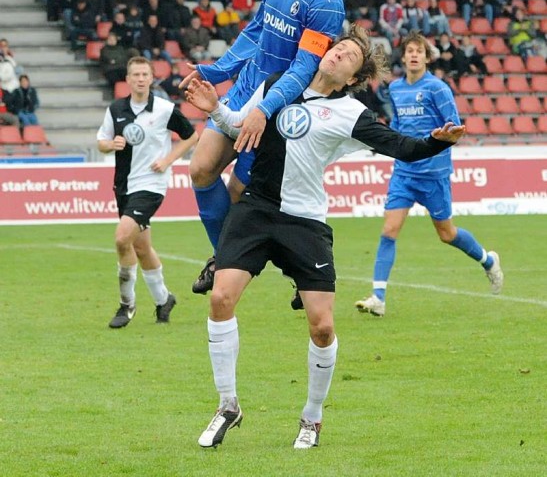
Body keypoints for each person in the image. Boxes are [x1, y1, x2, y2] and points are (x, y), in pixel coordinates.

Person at [184, 25, 465, 450]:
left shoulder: (351, 113)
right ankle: (227, 405)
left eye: (350, 56)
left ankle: (312, 418)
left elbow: (400, 147)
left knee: (322, 326)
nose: (338, 55)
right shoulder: (280, 85)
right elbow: (241, 126)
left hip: (305, 221)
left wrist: (434, 142)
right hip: (257, 208)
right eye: (338, 48)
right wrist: (215, 109)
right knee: (220, 297)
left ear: (354, 78)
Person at [179, 0, 346, 295]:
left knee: (242, 194)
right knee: (201, 169)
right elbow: (255, 32)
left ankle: (299, 270)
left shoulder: (327, 2)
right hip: (245, 88)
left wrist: (265, 110)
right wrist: (216, 71)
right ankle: (225, 257)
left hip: (279, 107)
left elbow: (305, 67)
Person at [355, 32, 503, 318]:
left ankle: (487, 260)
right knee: (389, 231)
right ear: (404, 56)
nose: (413, 55)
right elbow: (397, 123)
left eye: (418, 51)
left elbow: (455, 130)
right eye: (409, 50)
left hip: (434, 173)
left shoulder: (438, 89)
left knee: (447, 234)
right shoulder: (396, 88)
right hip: (405, 172)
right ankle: (378, 297)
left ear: (426, 57)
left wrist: (441, 137)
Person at [96, 56, 198, 328]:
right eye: (135, 75)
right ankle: (164, 299)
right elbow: (101, 143)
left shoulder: (164, 109)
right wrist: (111, 144)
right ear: (127, 80)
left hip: (151, 185)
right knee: (142, 247)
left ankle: (126, 305)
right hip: (124, 186)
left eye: (144, 74)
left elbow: (191, 135)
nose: (140, 79)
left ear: (152, 78)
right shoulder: (116, 108)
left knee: (121, 240)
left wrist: (168, 160)